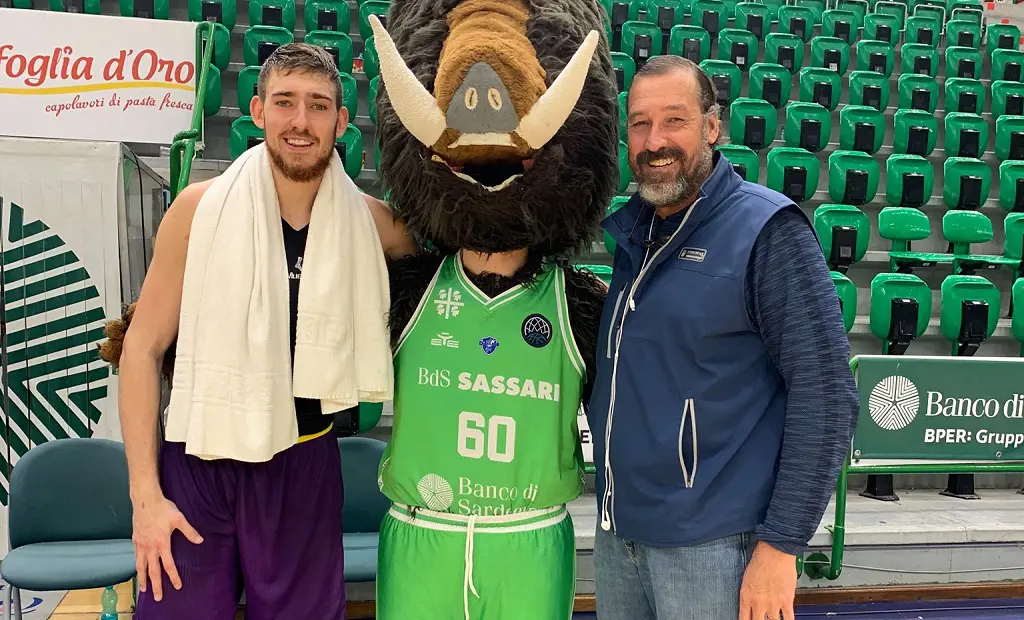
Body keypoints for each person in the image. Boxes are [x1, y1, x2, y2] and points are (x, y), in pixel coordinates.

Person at [106, 43, 416, 620]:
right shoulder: (198, 209)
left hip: (303, 459)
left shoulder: (376, 226)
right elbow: (142, 350)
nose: (301, 122)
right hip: (200, 457)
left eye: (319, 106)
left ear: (342, 122)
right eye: (285, 102)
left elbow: (467, 251)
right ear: (256, 110)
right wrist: (145, 499)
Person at [586, 55, 860, 620]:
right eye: (639, 123)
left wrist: (782, 546)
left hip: (716, 546)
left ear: (712, 127)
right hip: (620, 534)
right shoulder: (636, 233)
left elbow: (828, 394)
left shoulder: (767, 230)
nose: (654, 140)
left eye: (674, 121)